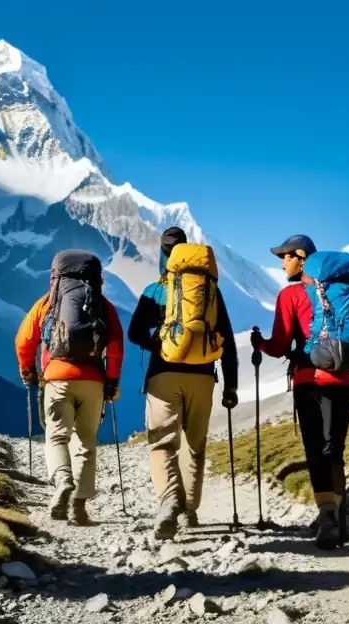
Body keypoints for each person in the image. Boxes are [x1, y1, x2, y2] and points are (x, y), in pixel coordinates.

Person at [128, 227, 239, 539]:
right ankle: (190, 511)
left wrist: (158, 342)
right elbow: (227, 340)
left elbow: (134, 331)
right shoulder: (211, 293)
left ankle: (169, 501)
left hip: (164, 374)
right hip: (204, 376)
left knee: (163, 443)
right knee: (195, 445)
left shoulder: (155, 290)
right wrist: (231, 385)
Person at [251, 234, 349, 549]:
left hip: (311, 379)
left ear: (301, 257)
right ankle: (339, 514)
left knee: (317, 450)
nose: (281, 262)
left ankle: (326, 518)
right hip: (347, 379)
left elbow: (280, 344)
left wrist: (260, 343)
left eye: (284, 256)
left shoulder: (291, 295)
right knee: (335, 448)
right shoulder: (343, 291)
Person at [15, 250, 124, 525]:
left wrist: (28, 370)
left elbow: (23, 341)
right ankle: (79, 505)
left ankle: (63, 480)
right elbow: (116, 349)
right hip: (93, 382)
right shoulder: (103, 306)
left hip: (57, 378)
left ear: (56, 277)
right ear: (97, 278)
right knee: (86, 441)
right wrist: (111, 381)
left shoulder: (48, 304)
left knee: (56, 436)